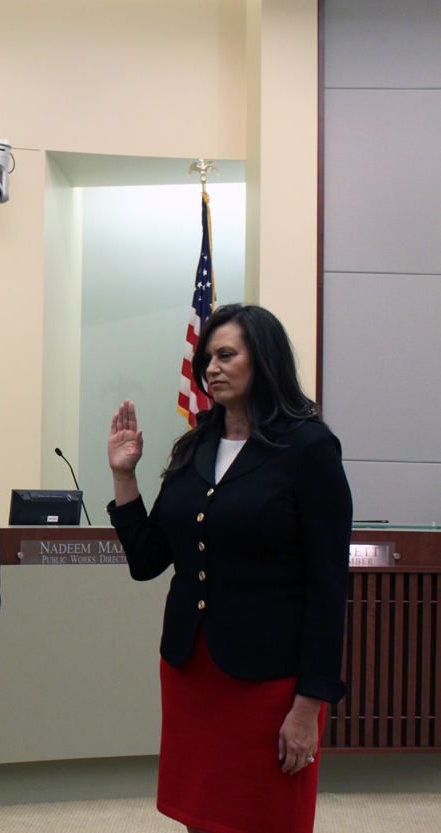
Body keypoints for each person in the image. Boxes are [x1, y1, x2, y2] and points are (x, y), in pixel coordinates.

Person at [106, 304, 351, 833]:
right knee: (201, 815)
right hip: (194, 670)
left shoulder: (309, 448)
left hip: (269, 681)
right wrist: (124, 478)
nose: (211, 368)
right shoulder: (196, 446)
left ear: (262, 360)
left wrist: (310, 705)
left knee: (264, 818)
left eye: (226, 355)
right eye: (207, 358)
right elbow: (148, 562)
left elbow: (329, 587)